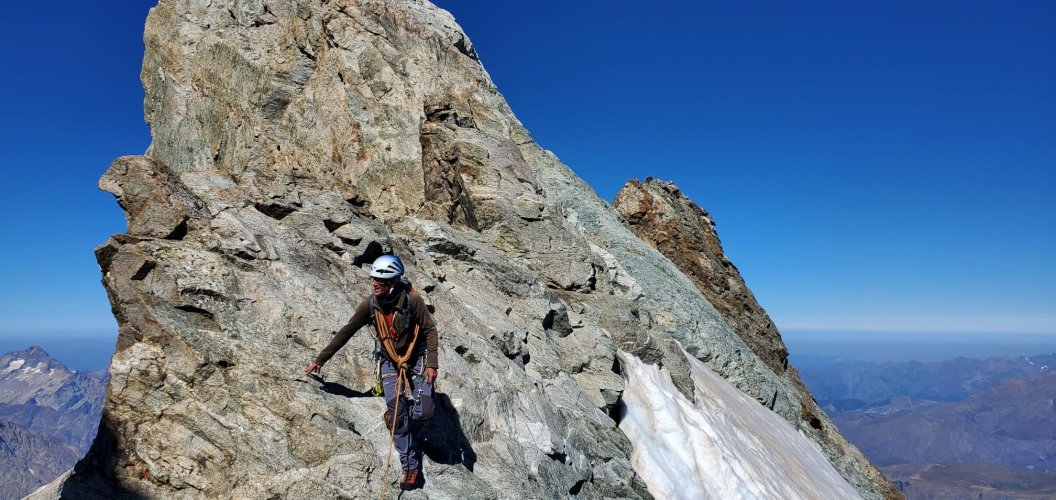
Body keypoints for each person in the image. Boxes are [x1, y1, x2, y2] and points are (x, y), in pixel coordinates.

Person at [305, 254, 438, 491]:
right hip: (389, 360)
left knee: (425, 410)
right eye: (373, 279)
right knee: (398, 415)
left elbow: (429, 330)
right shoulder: (369, 306)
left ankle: (399, 416)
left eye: (380, 280)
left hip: (415, 358)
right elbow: (346, 332)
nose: (374, 283)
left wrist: (432, 364)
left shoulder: (413, 300)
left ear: (393, 283)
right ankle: (410, 466)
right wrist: (320, 360)